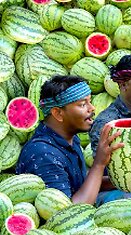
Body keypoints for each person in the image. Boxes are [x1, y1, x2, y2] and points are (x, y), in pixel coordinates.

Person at [16, 75, 124, 205]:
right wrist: (99, 164)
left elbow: (79, 182)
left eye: (90, 102)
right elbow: (70, 213)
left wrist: (125, 181)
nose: (92, 108)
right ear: (58, 113)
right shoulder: (43, 155)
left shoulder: (70, 138)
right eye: (83, 104)